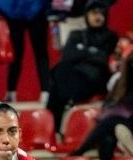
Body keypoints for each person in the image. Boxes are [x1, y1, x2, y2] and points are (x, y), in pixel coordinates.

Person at [70, 47, 133, 160]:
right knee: (106, 140)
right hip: (119, 122)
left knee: (110, 121)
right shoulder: (120, 83)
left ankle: (82, 149)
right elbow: (108, 105)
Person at [45, 0, 118, 141]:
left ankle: (53, 130)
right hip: (74, 79)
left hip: (95, 81)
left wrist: (81, 51)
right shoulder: (76, 34)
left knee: (57, 86)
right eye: (94, 13)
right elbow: (67, 56)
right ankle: (55, 130)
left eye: (101, 13)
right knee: (62, 70)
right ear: (86, 15)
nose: (98, 17)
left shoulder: (111, 36)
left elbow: (104, 59)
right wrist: (93, 52)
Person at [0, 0, 51, 103]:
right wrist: (0, 7)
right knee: (15, 54)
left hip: (38, 11)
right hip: (13, 13)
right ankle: (11, 93)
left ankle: (46, 93)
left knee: (41, 53)